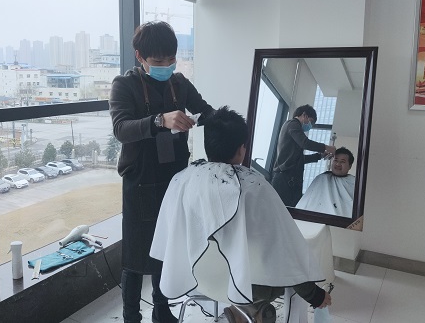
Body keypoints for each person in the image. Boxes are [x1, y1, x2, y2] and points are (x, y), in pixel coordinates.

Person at [150, 106, 332, 319]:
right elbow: (285, 250)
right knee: (277, 271)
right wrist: (315, 295)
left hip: (196, 274)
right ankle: (246, 308)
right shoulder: (254, 186)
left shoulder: (182, 179)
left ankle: (240, 309)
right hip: (242, 283)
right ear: (241, 149)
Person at [109, 21, 215, 323]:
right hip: (140, 179)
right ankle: (131, 315)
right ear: (140, 56)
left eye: (171, 59)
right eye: (158, 61)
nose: (166, 66)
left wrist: (218, 122)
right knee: (135, 254)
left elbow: (206, 110)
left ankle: (162, 309)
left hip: (174, 178)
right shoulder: (124, 85)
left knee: (166, 246)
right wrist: (160, 121)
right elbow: (121, 129)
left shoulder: (179, 83)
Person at [271, 104, 336, 207]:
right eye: (311, 122)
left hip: (290, 178)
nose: (310, 126)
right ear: (304, 115)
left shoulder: (292, 128)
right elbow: (305, 143)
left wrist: (319, 156)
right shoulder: (292, 124)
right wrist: (326, 147)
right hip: (285, 178)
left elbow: (299, 159)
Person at [296, 147, 356, 217]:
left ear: (350, 166)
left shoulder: (354, 183)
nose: (338, 164)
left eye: (342, 161)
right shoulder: (321, 178)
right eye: (336, 160)